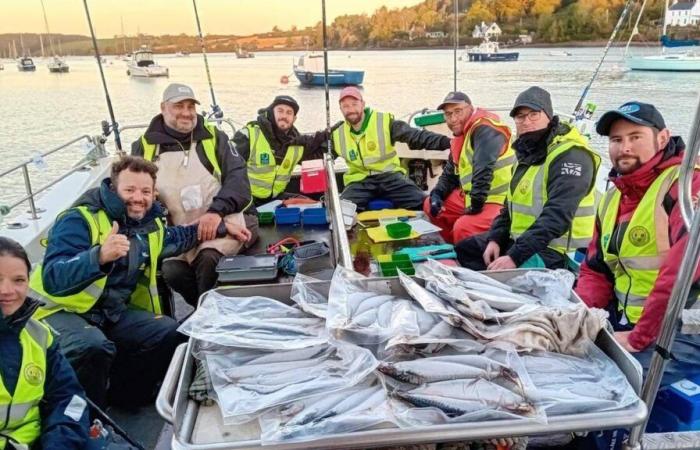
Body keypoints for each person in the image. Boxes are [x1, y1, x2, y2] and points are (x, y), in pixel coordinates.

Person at [28, 156, 252, 408]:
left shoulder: (149, 224)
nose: (139, 197)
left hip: (109, 311)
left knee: (167, 332)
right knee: (91, 346)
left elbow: (179, 236)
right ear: (113, 189)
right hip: (56, 311)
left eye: (146, 191)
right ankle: (88, 419)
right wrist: (98, 256)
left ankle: (127, 398)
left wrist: (223, 227)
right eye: (130, 189)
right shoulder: (79, 219)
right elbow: (52, 278)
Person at [576, 101, 700, 385]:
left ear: (663, 138)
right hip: (629, 320)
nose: (625, 147)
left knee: (605, 383)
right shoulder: (611, 199)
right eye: (617, 140)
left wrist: (638, 337)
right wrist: (580, 320)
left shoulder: (687, 186)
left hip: (686, 328)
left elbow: (680, 272)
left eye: (635, 137)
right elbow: (595, 270)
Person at [131, 83, 257, 307]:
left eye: (191, 106)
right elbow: (138, 199)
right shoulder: (143, 148)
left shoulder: (213, 138)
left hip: (221, 223)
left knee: (208, 260)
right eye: (179, 106)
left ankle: (206, 314)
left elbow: (239, 179)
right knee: (172, 271)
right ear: (163, 107)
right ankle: (205, 310)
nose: (187, 113)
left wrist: (216, 213)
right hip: (179, 232)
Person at [456, 86, 600, 270]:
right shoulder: (526, 154)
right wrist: (495, 239)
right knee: (465, 250)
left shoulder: (570, 156)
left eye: (533, 114)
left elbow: (557, 217)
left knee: (498, 274)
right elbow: (508, 208)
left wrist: (514, 257)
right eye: (520, 116)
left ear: (549, 116)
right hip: (523, 241)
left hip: (558, 252)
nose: (526, 121)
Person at [0, 237, 89, 449]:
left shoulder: (39, 334)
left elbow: (69, 398)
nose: (7, 290)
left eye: (19, 280)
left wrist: (60, 443)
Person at [301, 86, 451, 211]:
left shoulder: (384, 122)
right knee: (341, 210)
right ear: (340, 109)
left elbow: (416, 137)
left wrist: (447, 142)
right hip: (359, 181)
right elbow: (319, 156)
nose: (350, 109)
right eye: (345, 106)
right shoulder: (337, 134)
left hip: (391, 177)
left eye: (354, 104)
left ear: (363, 104)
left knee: (422, 202)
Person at [424, 91, 514, 243]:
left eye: (458, 111)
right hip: (470, 197)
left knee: (464, 227)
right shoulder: (460, 137)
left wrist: (474, 208)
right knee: (429, 205)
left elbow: (483, 171)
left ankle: (466, 260)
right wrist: (437, 194)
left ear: (471, 109)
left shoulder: (485, 129)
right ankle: (449, 247)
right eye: (448, 114)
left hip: (499, 200)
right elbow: (449, 174)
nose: (453, 119)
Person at [233, 95, 325, 206]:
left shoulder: (297, 143)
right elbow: (227, 166)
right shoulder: (250, 134)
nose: (284, 116)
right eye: (280, 111)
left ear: (294, 119)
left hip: (275, 199)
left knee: (314, 205)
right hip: (246, 199)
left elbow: (317, 154)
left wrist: (326, 136)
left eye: (289, 113)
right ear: (272, 112)